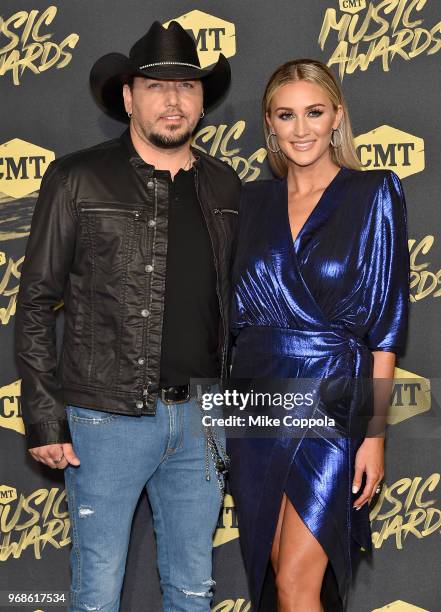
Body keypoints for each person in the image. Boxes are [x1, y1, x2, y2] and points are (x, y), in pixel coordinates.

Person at [15, 21, 240, 612]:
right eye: (156, 86)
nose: (173, 100)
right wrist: (43, 414)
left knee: (194, 589)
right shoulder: (76, 178)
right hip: (104, 420)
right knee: (97, 591)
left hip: (205, 419)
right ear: (127, 97)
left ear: (201, 101)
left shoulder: (226, 184)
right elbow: (36, 301)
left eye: (187, 87)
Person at [227, 59, 409, 612]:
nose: (301, 129)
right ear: (270, 124)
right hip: (254, 402)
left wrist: (373, 437)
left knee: (296, 584)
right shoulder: (250, 202)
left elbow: (385, 326)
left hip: (332, 400)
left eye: (314, 112)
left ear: (337, 118)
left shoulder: (375, 192)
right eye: (286, 115)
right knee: (272, 578)